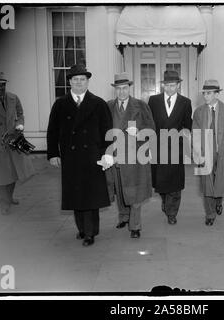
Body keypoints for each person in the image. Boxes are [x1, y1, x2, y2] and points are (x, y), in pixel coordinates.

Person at [46, 65, 113, 247]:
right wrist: (53, 154)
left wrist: (108, 154)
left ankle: (90, 232)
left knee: (91, 196)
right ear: (69, 82)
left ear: (87, 81)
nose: (78, 82)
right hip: (70, 157)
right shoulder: (60, 104)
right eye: (75, 79)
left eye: (82, 79)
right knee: (76, 195)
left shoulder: (98, 103)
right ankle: (82, 229)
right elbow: (52, 131)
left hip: (93, 157)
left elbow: (108, 131)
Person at [106, 72, 156, 238]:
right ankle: (123, 217)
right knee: (119, 189)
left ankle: (135, 226)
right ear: (115, 90)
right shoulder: (108, 106)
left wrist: (140, 132)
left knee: (134, 192)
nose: (122, 92)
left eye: (125, 88)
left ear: (130, 88)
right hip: (114, 155)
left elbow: (152, 130)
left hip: (135, 155)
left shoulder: (141, 106)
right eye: (118, 88)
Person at [192, 80, 224, 226]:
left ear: (217, 93)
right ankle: (210, 214)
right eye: (204, 93)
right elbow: (195, 133)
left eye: (209, 93)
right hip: (205, 153)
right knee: (207, 184)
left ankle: (218, 201)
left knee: (221, 182)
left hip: (222, 152)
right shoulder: (199, 112)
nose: (206, 96)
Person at [148, 70, 192, 225]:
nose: (169, 88)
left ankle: (172, 212)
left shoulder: (185, 102)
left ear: (178, 85)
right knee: (160, 181)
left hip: (176, 147)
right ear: (163, 85)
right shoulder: (153, 101)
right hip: (158, 146)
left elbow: (188, 125)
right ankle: (165, 201)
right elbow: (149, 124)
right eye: (166, 85)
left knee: (175, 181)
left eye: (172, 85)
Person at [0, 71, 35, 215]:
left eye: (2, 85)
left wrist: (20, 124)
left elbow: (20, 114)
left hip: (13, 139)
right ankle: (3, 202)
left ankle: (9, 197)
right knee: (0, 173)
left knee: (14, 171)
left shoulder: (13, 97)